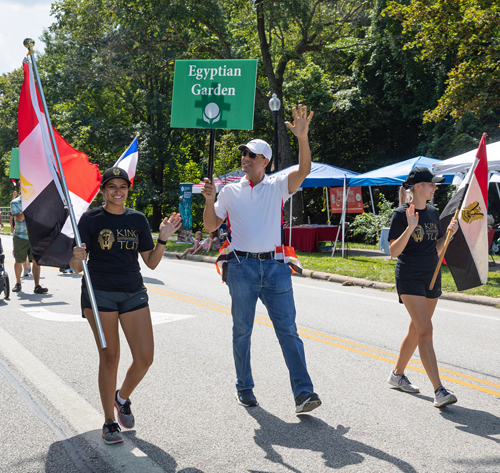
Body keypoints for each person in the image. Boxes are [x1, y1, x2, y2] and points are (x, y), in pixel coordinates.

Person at [202, 104, 321, 414]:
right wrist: (210, 200)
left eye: (251, 155)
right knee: (242, 330)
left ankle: (304, 393)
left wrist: (302, 138)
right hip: (241, 268)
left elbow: (305, 170)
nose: (245, 158)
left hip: (275, 268)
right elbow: (212, 226)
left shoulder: (278, 186)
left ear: (265, 161)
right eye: (244, 154)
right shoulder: (228, 191)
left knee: (289, 331)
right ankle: (244, 388)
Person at [70, 167, 182, 445]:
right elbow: (75, 268)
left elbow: (151, 262)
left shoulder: (138, 219)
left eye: (123, 186)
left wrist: (163, 237)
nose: (118, 191)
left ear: (128, 189)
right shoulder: (89, 219)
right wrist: (77, 257)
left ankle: (122, 398)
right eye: (112, 187)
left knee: (145, 358)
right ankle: (109, 421)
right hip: (99, 294)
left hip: (133, 292)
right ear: (103, 190)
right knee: (110, 357)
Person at [387, 166, 459, 408]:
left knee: (417, 329)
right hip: (409, 276)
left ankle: (397, 375)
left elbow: (436, 248)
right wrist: (409, 227)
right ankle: (439, 390)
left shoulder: (432, 212)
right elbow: (393, 252)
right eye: (431, 184)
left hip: (432, 275)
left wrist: (448, 235)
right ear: (418, 186)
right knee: (426, 330)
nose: (435, 188)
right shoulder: (400, 214)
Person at [10, 194, 48, 294]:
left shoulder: (37, 201)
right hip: (20, 236)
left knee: (36, 261)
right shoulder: (15, 202)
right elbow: (20, 218)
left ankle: (37, 286)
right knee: (19, 260)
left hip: (35, 236)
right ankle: (18, 283)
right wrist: (28, 205)